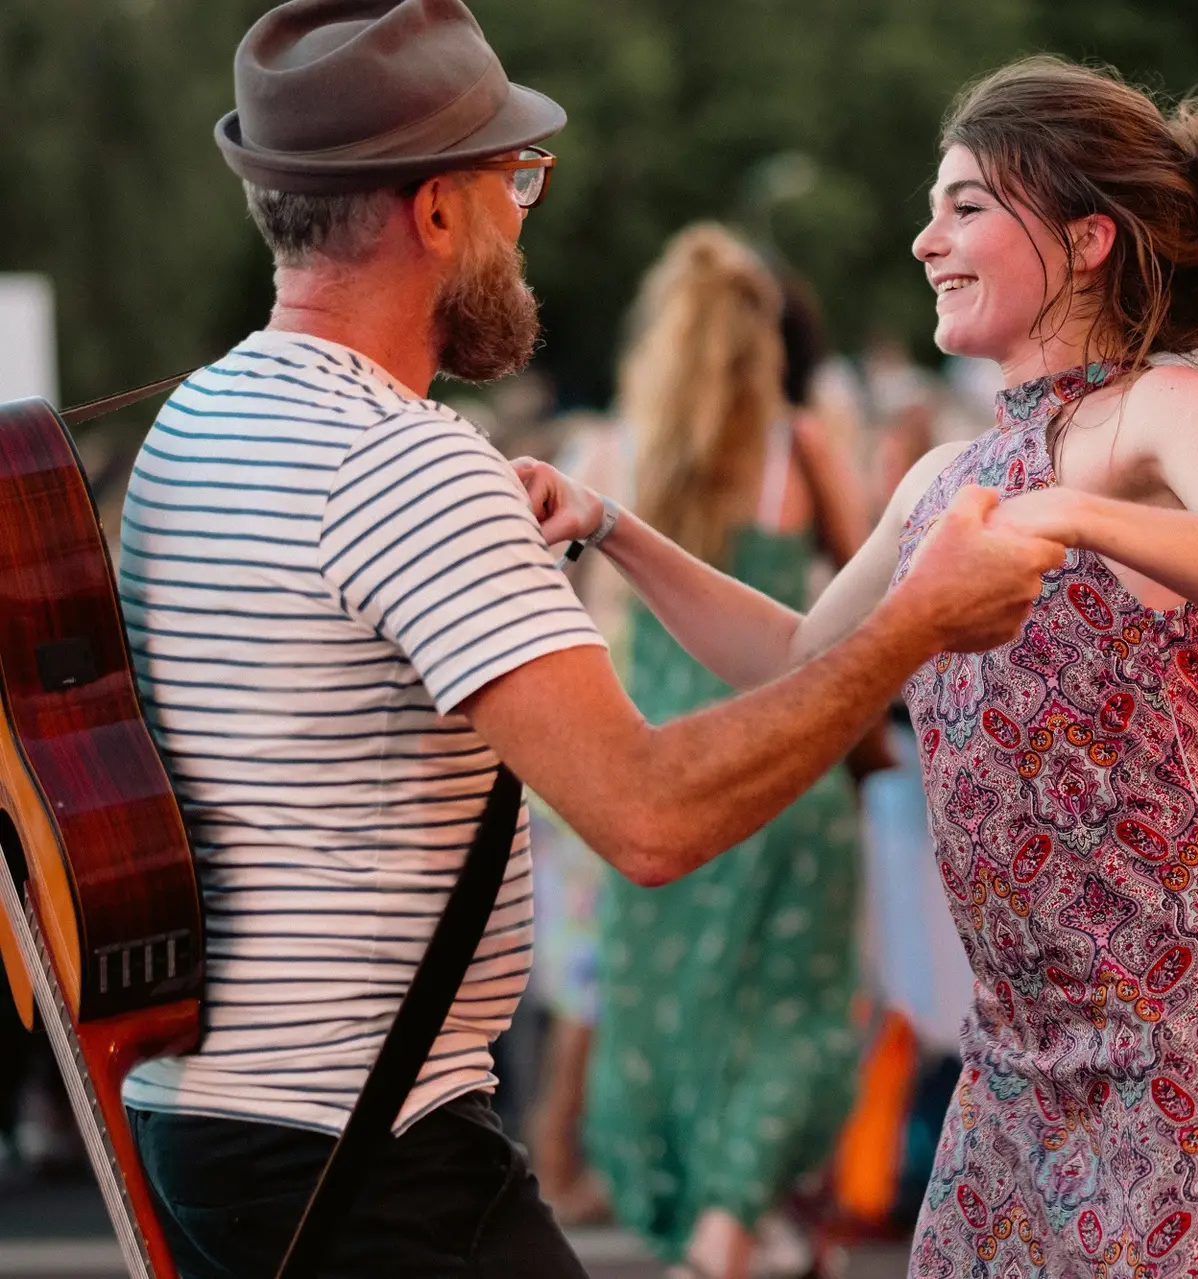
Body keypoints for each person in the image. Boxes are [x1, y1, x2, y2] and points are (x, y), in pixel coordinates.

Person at [114, 4, 1063, 1275]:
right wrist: (917, 624)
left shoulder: (199, 422)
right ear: (435, 211)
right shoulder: (403, 462)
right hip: (362, 1140)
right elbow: (648, 816)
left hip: (209, 1121)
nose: (523, 221)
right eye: (513, 183)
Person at [520, 54, 1198, 1277]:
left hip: (1191, 1034)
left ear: (1086, 240)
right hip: (1019, 1055)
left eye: (964, 207)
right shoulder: (942, 480)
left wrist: (1075, 511)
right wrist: (610, 525)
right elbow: (795, 653)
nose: (926, 241)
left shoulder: (1161, 408)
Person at [581, 225, 875, 1279]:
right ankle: (732, 1227)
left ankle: (714, 1231)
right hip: (789, 771)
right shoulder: (801, 448)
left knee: (672, 1015)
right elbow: (866, 598)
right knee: (791, 1015)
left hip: (661, 773)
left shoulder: (611, 460)